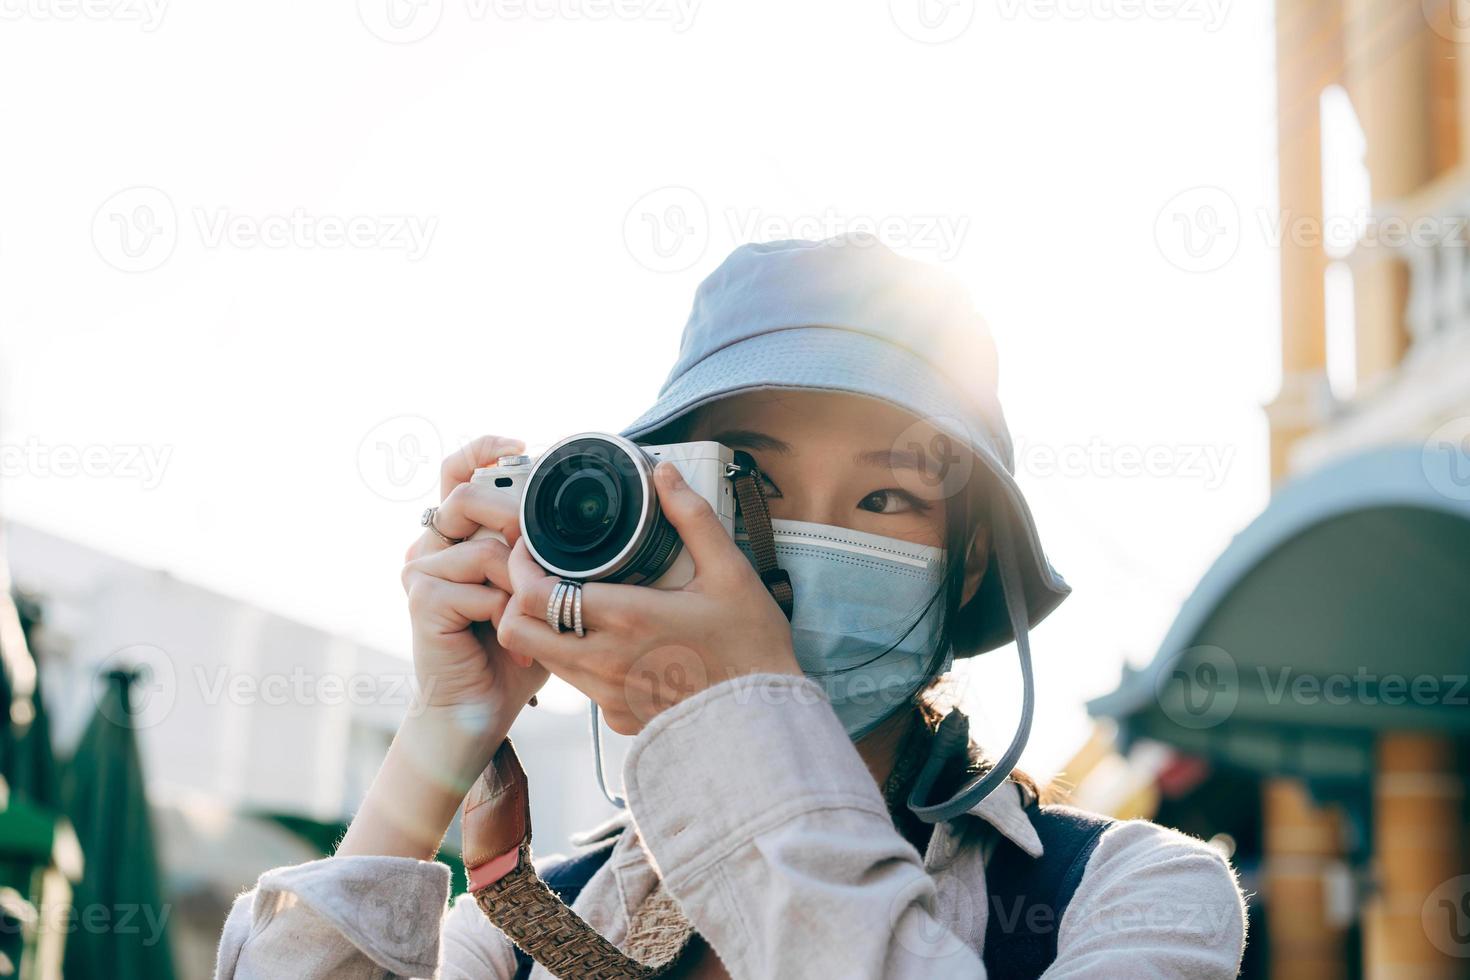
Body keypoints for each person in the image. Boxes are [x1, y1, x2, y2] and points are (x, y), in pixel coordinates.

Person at [216, 235, 1247, 979]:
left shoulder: (1129, 895)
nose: (796, 547)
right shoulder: (529, 925)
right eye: (748, 483)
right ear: (666, 502)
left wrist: (743, 708)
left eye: (886, 496)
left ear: (970, 562)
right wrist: (446, 732)